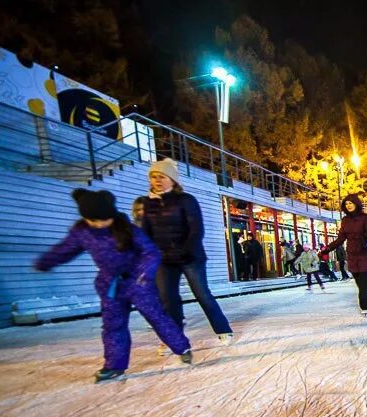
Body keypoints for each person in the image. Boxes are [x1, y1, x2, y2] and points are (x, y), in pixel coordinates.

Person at [33, 189, 192, 382]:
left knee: (156, 316)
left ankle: (181, 347)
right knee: (112, 325)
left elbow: (151, 252)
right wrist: (46, 262)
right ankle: (114, 366)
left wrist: (144, 273)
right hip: (110, 285)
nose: (100, 224)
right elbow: (65, 250)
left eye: (104, 220)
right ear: (86, 219)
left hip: (137, 281)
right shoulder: (82, 232)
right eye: (94, 221)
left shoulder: (126, 228)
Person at [140, 158, 234, 344]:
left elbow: (196, 229)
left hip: (190, 257)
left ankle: (223, 329)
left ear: (173, 180)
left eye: (162, 177)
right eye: (154, 177)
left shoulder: (186, 200)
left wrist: (187, 250)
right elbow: (145, 232)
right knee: (168, 298)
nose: (157, 180)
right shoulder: (147, 204)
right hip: (164, 259)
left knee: (201, 293)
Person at [320, 194, 367, 314]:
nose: (349, 205)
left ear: (356, 203)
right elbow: (340, 239)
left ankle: (366, 307)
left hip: (365, 254)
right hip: (352, 255)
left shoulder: (365, 217)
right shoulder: (345, 220)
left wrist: (366, 243)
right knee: (360, 283)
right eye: (346, 204)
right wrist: (327, 249)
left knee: (364, 284)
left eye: (351, 203)